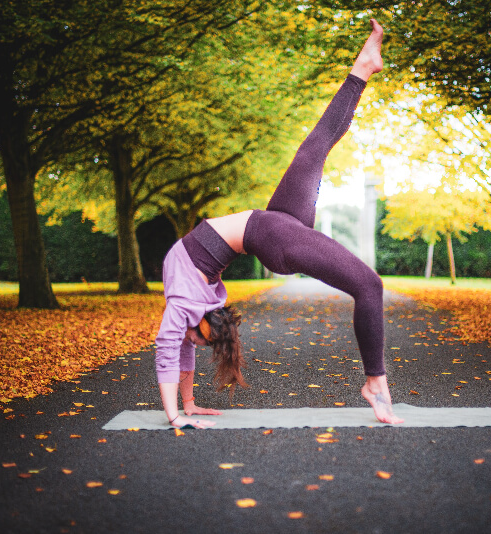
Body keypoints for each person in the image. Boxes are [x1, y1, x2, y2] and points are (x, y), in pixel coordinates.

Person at [155, 19, 404, 429]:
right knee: (368, 285)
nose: (190, 345)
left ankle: (363, 67)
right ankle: (375, 382)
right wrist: (180, 411)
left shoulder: (183, 308)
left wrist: (181, 410)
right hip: (269, 236)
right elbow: (178, 350)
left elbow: (171, 351)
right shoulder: (190, 307)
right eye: (196, 342)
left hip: (270, 225)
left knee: (315, 148)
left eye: (194, 340)